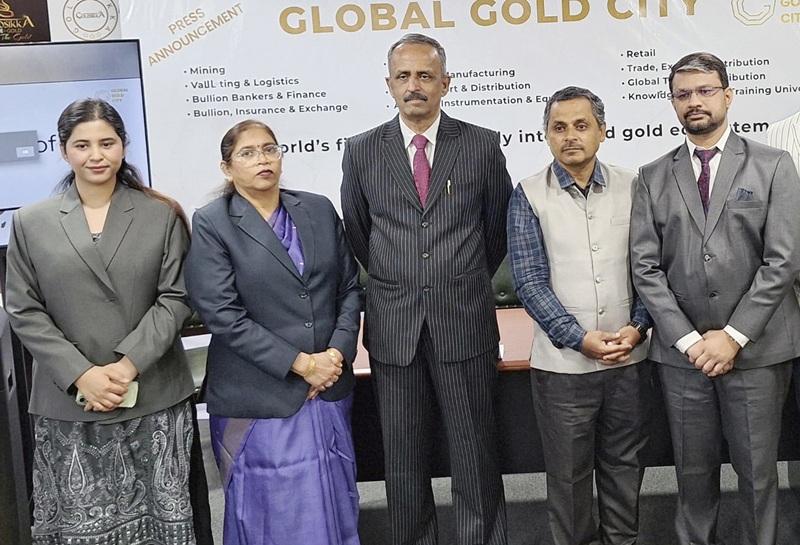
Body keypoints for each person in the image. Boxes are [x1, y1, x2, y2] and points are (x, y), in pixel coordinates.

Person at [340, 33, 512, 545]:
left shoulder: (481, 144)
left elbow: (496, 230)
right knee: (403, 459)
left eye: (424, 75)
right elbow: (360, 234)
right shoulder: (362, 150)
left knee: (475, 453)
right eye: (403, 76)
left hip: (464, 322)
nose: (414, 85)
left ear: (445, 83)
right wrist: (404, 278)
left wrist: (455, 278)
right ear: (389, 83)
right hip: (394, 328)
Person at [5, 98, 197, 544]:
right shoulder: (31, 222)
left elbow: (176, 297)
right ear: (63, 150)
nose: (96, 155)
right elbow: (24, 308)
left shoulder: (161, 214)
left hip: (152, 393)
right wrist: (82, 375)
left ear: (123, 146)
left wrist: (126, 366)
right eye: (82, 145)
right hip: (69, 401)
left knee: (163, 526)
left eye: (107, 143)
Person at [630, 52, 800, 545]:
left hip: (758, 349)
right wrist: (689, 341)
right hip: (683, 358)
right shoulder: (652, 175)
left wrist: (732, 336)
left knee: (758, 475)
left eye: (705, 91)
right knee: (692, 475)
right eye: (683, 94)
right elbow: (645, 268)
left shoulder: (773, 165)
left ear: (727, 95)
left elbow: (783, 260)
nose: (695, 102)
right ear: (672, 103)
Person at [184, 120, 362, 545]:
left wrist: (335, 355)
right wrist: (301, 365)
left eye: (270, 149)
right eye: (247, 153)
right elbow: (222, 314)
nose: (262, 159)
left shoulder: (317, 209)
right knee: (274, 514)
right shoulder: (213, 222)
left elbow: (349, 289)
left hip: (328, 387)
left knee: (335, 502)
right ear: (227, 168)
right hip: (260, 394)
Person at [508, 86, 652, 545]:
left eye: (581, 125)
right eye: (559, 127)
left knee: (625, 469)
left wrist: (638, 327)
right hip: (563, 369)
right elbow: (529, 281)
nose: (570, 135)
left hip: (630, 361)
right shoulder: (528, 194)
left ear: (602, 131)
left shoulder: (635, 186)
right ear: (546, 136)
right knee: (568, 478)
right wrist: (578, 338)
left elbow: (650, 269)